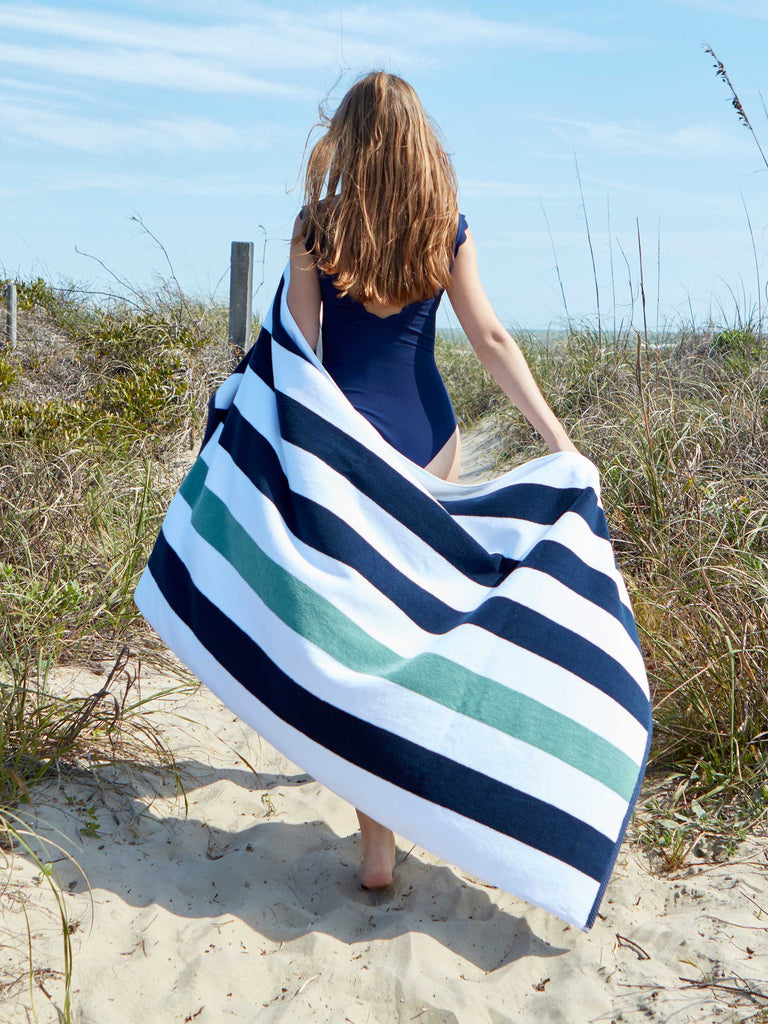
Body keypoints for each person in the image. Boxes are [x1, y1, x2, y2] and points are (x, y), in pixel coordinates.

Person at [285, 70, 580, 891]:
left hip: (349, 457)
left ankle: (376, 849)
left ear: (345, 138)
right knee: (416, 632)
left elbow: (302, 355)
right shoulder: (442, 227)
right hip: (430, 447)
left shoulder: (318, 228)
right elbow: (487, 336)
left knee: (358, 639)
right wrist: (558, 440)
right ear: (418, 141)